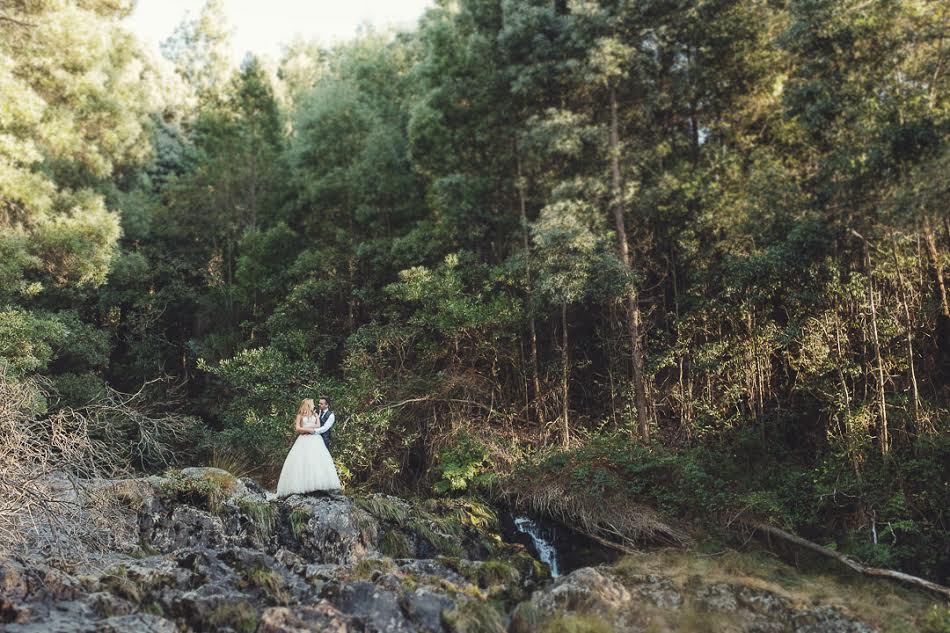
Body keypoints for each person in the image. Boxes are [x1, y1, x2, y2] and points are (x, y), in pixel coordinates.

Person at [275, 398, 341, 497]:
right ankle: (302, 486)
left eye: (321, 404)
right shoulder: (302, 415)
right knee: (302, 461)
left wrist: (312, 431)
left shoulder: (324, 415)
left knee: (317, 461)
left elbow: (321, 426)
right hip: (303, 439)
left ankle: (319, 485)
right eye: (316, 403)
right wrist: (307, 430)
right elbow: (297, 428)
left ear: (327, 405)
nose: (318, 405)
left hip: (316, 439)